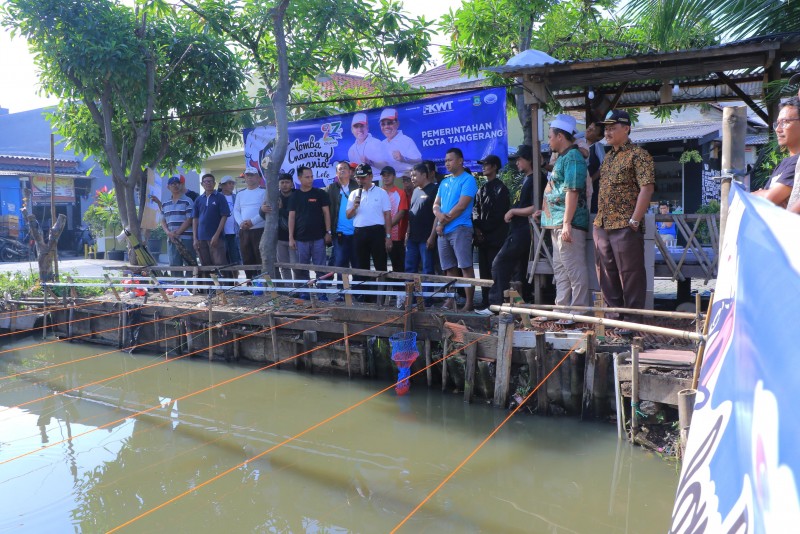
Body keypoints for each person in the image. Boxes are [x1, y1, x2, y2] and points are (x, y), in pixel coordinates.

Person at [594, 109, 655, 318]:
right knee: (606, 273)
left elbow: (647, 188)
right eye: (606, 129)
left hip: (625, 224)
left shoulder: (639, 155)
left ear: (626, 129)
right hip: (603, 224)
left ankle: (632, 320)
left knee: (631, 274)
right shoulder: (608, 157)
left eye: (612, 128)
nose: (607, 132)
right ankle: (614, 318)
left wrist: (635, 220)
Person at [541, 115, 591, 317]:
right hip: (558, 222)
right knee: (561, 270)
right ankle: (561, 310)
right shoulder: (563, 157)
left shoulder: (573, 157)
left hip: (568, 223)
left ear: (560, 136)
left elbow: (573, 190)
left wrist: (567, 223)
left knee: (573, 269)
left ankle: (579, 312)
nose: (548, 141)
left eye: (550, 136)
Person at [488, 145, 536, 307]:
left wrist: (513, 211)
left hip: (526, 229)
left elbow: (536, 207)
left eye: (520, 159)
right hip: (517, 228)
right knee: (518, 269)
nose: (517, 163)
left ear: (529, 160)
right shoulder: (526, 178)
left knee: (499, 263)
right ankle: (518, 304)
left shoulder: (537, 179)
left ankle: (496, 303)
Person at [433, 147, 478, 311]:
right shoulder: (444, 182)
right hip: (443, 231)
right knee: (449, 268)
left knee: (465, 266)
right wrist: (438, 214)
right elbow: (436, 204)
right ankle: (450, 301)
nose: (447, 163)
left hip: (460, 228)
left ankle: (469, 303)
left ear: (460, 161)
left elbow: (461, 206)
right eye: (445, 160)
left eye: (450, 160)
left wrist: (442, 223)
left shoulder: (468, 180)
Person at [346, 163, 392, 302]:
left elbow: (387, 215)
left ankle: (382, 297)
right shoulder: (354, 193)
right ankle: (366, 297)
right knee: (361, 265)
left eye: (363, 177)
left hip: (377, 231)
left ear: (371, 176)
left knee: (380, 264)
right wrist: (354, 206)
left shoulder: (381, 192)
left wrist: (388, 236)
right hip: (359, 232)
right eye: (358, 178)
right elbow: (348, 215)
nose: (361, 180)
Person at [472, 154, 510, 306]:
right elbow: (475, 209)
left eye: (486, 164)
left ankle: (495, 302)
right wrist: (477, 228)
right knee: (483, 271)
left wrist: (482, 229)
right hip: (482, 239)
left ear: (494, 167)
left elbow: (499, 215)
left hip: (495, 238)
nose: (483, 167)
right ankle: (485, 300)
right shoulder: (481, 189)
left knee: (494, 269)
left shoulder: (501, 189)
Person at [288, 166, 332, 285]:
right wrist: (291, 237)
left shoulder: (320, 193)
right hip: (301, 239)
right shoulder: (295, 196)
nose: (310, 179)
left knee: (321, 268)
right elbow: (291, 217)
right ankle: (304, 293)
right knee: (302, 269)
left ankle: (322, 292)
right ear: (299, 178)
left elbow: (326, 213)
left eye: (312, 176)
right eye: (307, 177)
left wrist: (328, 232)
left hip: (319, 238)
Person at [753, 98, 800, 208]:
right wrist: (764, 194)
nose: (778, 129)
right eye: (778, 123)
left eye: (785, 122)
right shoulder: (785, 163)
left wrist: (762, 194)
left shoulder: (797, 162)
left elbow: (767, 199)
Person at [158, 175, 195, 276]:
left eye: (177, 183)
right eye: (172, 184)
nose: (175, 186)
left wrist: (178, 232)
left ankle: (191, 285)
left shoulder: (188, 200)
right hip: (172, 238)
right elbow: (162, 221)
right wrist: (168, 233)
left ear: (181, 185)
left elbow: (189, 219)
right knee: (174, 265)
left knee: (190, 264)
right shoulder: (165, 203)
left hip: (186, 238)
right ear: (168, 187)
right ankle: (177, 285)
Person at [233, 167, 266, 281]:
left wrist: (253, 222)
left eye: (252, 175)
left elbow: (265, 211)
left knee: (260, 257)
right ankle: (250, 282)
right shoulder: (240, 194)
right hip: (244, 231)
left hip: (259, 230)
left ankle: (262, 283)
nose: (250, 177)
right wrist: (241, 223)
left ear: (258, 178)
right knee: (246, 258)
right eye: (247, 175)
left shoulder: (264, 192)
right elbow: (236, 210)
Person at [405, 163, 438, 276]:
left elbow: (437, 215)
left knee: (427, 269)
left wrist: (432, 236)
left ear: (424, 175)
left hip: (426, 238)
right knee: (409, 268)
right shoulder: (415, 191)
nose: (412, 178)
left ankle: (427, 289)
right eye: (411, 176)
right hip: (412, 238)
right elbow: (411, 213)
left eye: (414, 175)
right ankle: (410, 288)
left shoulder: (434, 189)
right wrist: (407, 232)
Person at [192, 173, 230, 269]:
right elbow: (195, 219)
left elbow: (224, 216)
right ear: (202, 184)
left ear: (214, 183)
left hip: (216, 238)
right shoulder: (198, 199)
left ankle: (224, 280)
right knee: (205, 266)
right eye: (205, 182)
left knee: (220, 266)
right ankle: (209, 280)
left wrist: (216, 235)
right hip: (201, 238)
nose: (208, 183)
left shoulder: (220, 197)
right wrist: (195, 238)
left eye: (210, 181)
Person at [326, 161, 358, 268]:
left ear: (350, 172)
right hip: (339, 234)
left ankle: (357, 280)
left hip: (357, 232)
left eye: (345, 168)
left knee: (357, 264)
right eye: (340, 169)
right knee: (340, 264)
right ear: (336, 173)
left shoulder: (358, 187)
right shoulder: (331, 188)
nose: (342, 170)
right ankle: (342, 281)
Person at [380, 166, 409, 273]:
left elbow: (401, 212)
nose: (386, 178)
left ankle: (398, 284)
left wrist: (387, 227)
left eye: (389, 175)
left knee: (398, 266)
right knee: (380, 265)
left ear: (394, 176)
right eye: (384, 176)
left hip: (396, 236)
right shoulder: (378, 192)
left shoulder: (400, 193)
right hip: (379, 234)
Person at [379, 108, 422, 176]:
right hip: (385, 179)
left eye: (389, 123)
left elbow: (419, 162)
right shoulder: (381, 144)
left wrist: (403, 159)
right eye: (383, 124)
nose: (386, 127)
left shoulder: (406, 141)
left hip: (404, 179)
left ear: (397, 124)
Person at [270, 173, 297, 280]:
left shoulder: (297, 196)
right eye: (282, 182)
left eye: (287, 182)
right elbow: (264, 215)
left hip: (295, 237)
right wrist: (262, 209)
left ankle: (299, 287)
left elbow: (295, 216)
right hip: (279, 238)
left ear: (292, 184)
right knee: (284, 267)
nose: (284, 185)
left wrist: (281, 209)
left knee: (296, 266)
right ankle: (288, 288)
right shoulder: (274, 196)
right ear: (278, 184)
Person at [218, 175, 242, 281]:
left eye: (232, 183)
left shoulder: (236, 197)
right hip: (221, 233)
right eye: (228, 183)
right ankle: (226, 281)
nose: (231, 185)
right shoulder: (217, 197)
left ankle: (235, 281)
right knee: (223, 258)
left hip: (235, 232)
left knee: (235, 258)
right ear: (222, 185)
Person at [586, 122, 606, 213]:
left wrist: (591, 179)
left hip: (594, 187)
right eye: (589, 127)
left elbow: (604, 166)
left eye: (593, 130)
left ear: (599, 137)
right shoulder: (580, 146)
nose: (589, 130)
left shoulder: (597, 146)